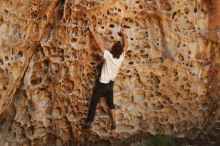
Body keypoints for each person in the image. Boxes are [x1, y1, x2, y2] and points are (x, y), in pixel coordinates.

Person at [82, 24, 128, 130]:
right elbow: (126, 47)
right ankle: (114, 122)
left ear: (112, 50)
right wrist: (124, 36)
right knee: (111, 103)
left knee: (94, 103)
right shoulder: (121, 57)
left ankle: (89, 123)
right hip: (110, 85)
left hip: (101, 84)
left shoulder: (109, 57)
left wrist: (92, 31)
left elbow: (98, 45)